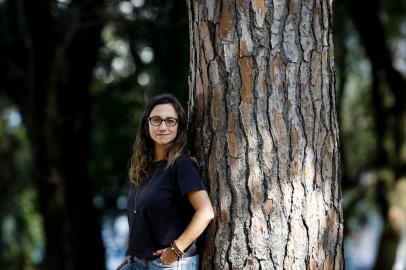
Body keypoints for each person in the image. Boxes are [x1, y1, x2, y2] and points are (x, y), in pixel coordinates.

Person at [116, 94, 214, 270]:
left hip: (169, 264)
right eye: (156, 120)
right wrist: (133, 251)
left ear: (179, 126)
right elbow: (140, 212)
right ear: (147, 124)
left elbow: (206, 211)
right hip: (137, 262)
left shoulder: (181, 165)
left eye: (170, 121)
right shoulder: (142, 167)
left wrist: (176, 250)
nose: (162, 126)